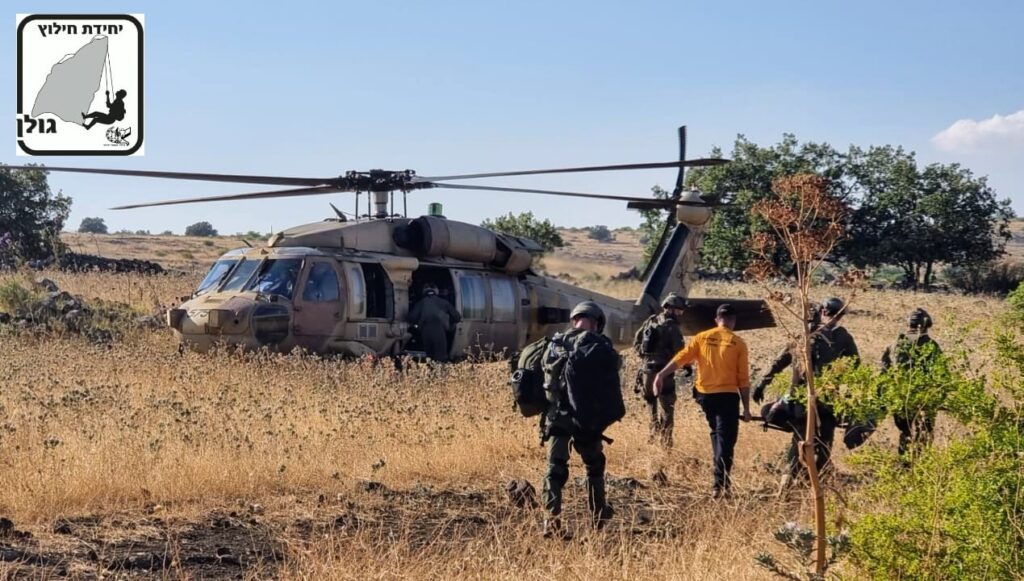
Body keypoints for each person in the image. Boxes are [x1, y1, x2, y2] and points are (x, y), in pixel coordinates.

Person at [754, 298, 858, 485]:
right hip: (825, 399)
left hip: (802, 398)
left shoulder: (803, 335)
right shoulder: (841, 337)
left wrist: (762, 384)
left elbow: (779, 362)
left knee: (801, 437)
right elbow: (855, 368)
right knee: (824, 440)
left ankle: (792, 476)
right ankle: (812, 479)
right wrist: (850, 397)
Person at [653, 304, 751, 498]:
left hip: (705, 396)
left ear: (717, 319)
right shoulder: (738, 343)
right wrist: (747, 408)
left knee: (716, 433)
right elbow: (743, 379)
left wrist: (661, 375)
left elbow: (681, 358)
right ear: (733, 321)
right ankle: (719, 484)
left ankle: (719, 478)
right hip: (727, 396)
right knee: (726, 439)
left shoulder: (701, 337)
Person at [541, 301, 616, 538]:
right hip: (587, 419)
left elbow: (544, 376)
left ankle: (551, 521)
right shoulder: (601, 344)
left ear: (574, 320)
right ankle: (598, 517)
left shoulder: (554, 344)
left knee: (555, 470)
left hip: (558, 416)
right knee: (594, 467)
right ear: (596, 323)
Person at [881, 308, 942, 457]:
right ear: (926, 325)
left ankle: (905, 466)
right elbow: (941, 374)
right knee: (924, 433)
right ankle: (919, 467)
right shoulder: (931, 346)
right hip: (924, 399)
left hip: (900, 398)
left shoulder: (895, 345)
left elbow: (883, 373)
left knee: (906, 432)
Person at [633, 293, 687, 447]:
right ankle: (666, 443)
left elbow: (637, 342)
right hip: (664, 374)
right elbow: (680, 352)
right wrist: (686, 366)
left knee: (651, 403)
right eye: (679, 310)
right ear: (670, 309)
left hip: (646, 372)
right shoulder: (672, 326)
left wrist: (646, 358)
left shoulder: (650, 321)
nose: (680, 314)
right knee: (668, 408)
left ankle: (652, 434)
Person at [407, 283, 461, 362]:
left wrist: (417, 325)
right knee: (440, 357)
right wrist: (450, 325)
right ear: (436, 291)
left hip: (425, 332)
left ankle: (431, 372)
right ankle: (439, 372)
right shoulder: (444, 302)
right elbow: (457, 317)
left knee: (430, 356)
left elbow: (411, 317)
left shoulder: (421, 303)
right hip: (439, 331)